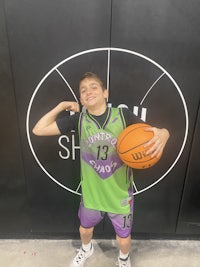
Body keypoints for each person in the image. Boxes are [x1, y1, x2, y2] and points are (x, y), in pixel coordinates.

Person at [32, 72, 170, 267]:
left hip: (120, 194)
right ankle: (86, 250)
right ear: (80, 99)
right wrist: (62, 106)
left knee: (123, 239)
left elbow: (156, 132)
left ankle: (123, 259)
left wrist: (165, 134)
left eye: (94, 87)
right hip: (92, 193)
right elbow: (38, 129)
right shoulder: (78, 120)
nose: (89, 92)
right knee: (85, 230)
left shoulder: (123, 115)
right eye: (83, 90)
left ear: (106, 93)